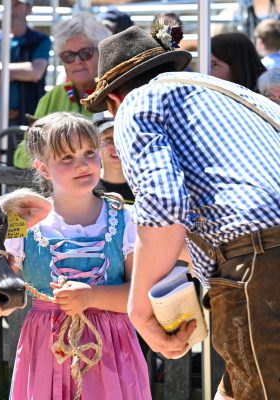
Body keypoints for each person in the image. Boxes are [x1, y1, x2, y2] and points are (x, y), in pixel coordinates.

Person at [82, 22, 280, 400]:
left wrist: (140, 307)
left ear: (114, 100)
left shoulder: (137, 102)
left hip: (260, 262)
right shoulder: (237, 95)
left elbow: (165, 207)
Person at [5, 111, 151, 400]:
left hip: (112, 353)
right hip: (46, 350)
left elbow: (140, 295)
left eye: (89, 153)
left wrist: (92, 296)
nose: (82, 165)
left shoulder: (126, 219)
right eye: (67, 157)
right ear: (43, 168)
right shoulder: (21, 225)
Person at [13, 12, 111, 169]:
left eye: (85, 53)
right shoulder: (52, 98)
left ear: (103, 54)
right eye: (68, 56)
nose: (77, 61)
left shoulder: (115, 95)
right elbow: (21, 157)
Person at [0, 0, 51, 131]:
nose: (11, 9)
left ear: (29, 8)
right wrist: (17, 73)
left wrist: (0, 69)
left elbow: (35, 72)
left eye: (17, 4)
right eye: (8, 4)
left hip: (27, 121)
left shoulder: (39, 40)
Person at [92, 111, 134, 204]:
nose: (116, 145)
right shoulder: (87, 187)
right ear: (95, 144)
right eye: (108, 140)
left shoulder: (144, 186)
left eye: (122, 138)